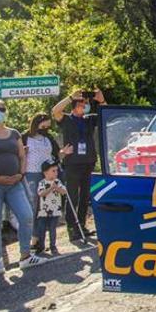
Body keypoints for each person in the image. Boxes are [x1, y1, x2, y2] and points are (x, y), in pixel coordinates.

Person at [0, 100, 44, 273]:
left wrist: (20, 174)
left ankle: (25, 256)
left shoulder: (14, 134)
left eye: (2, 109)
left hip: (15, 183)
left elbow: (22, 156)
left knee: (26, 216)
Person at [52, 89, 106, 241]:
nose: (86, 106)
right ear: (75, 107)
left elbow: (106, 116)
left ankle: (81, 225)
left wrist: (101, 101)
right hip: (72, 164)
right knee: (73, 196)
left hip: (88, 162)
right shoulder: (67, 120)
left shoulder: (89, 119)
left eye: (87, 104)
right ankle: (72, 227)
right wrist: (70, 97)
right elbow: (55, 111)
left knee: (85, 197)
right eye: (83, 104)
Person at [23, 113, 71, 247]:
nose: (45, 129)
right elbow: (18, 154)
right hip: (32, 174)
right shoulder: (25, 137)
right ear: (36, 124)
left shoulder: (48, 138)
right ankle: (33, 237)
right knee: (34, 205)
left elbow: (56, 156)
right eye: (43, 126)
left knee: (45, 206)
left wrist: (63, 153)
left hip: (47, 175)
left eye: (48, 127)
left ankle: (42, 238)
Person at [35, 160, 66, 255]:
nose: (56, 173)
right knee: (42, 229)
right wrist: (50, 188)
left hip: (55, 210)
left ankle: (53, 246)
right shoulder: (42, 183)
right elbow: (40, 193)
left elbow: (64, 192)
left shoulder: (58, 182)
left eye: (57, 171)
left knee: (53, 229)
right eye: (53, 171)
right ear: (45, 172)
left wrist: (57, 188)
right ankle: (41, 246)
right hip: (44, 211)